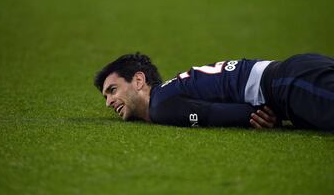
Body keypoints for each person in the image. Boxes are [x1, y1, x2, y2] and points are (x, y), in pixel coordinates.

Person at [94, 52, 334, 131]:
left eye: (112, 90)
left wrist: (254, 115)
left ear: (138, 81)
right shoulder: (171, 92)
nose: (109, 102)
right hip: (293, 75)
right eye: (106, 96)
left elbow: (211, 114)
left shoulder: (160, 105)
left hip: (289, 84)